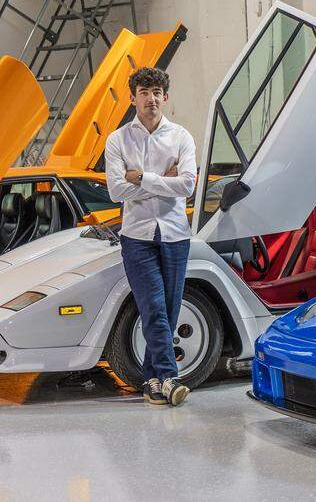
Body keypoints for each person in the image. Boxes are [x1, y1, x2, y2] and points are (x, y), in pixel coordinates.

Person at [104, 67, 197, 406]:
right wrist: (163, 180)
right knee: (153, 307)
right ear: (133, 98)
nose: (151, 98)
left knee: (168, 311)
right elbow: (116, 190)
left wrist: (141, 178)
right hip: (137, 237)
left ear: (166, 98)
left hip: (175, 235)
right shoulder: (118, 140)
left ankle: (151, 380)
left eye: (157, 92)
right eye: (144, 92)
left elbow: (187, 185)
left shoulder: (182, 137)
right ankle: (171, 379)